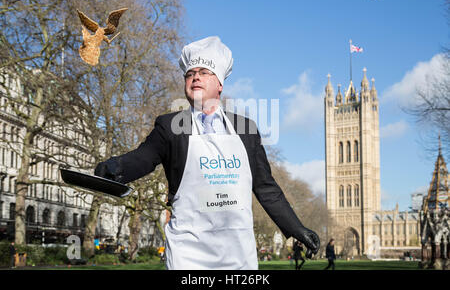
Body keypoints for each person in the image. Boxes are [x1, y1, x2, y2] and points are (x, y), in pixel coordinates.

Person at [95, 36, 320, 270]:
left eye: (204, 72)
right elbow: (143, 158)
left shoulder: (246, 130)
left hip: (238, 252)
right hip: (188, 251)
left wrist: (297, 229)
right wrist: (114, 168)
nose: (195, 77)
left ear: (220, 84)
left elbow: (266, 188)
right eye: (190, 74)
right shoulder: (170, 126)